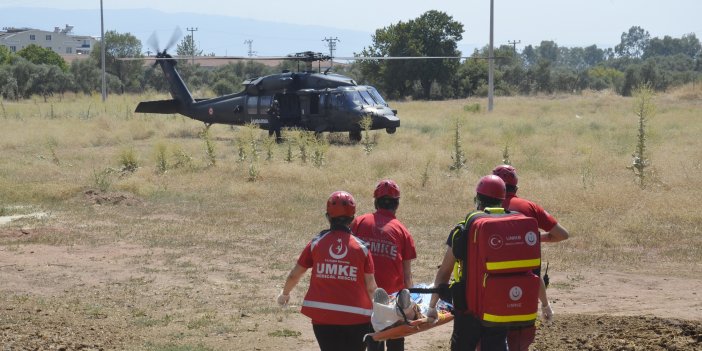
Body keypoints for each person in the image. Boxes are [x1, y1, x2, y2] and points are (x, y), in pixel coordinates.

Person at [277, 191, 377, 351]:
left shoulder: (316, 243)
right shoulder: (362, 248)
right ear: (353, 219)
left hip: (322, 317)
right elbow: (371, 287)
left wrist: (285, 294)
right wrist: (382, 311)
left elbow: (294, 274)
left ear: (328, 216)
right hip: (358, 318)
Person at [427, 175, 512, 351]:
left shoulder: (464, 228)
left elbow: (445, 272)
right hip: (500, 305)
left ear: (478, 200)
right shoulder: (510, 228)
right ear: (502, 201)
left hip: (468, 307)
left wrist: (432, 306)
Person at [492, 164, 570, 351]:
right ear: (515, 187)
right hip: (523, 291)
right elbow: (562, 235)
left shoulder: (486, 207)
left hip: (491, 293)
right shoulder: (529, 207)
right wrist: (530, 239)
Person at [351, 179, 417, 351]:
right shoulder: (402, 231)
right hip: (394, 299)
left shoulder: (359, 222)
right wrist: (413, 302)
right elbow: (407, 274)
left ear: (376, 201)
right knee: (396, 341)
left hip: (364, 297)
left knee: (373, 338)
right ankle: (402, 307)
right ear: (397, 204)